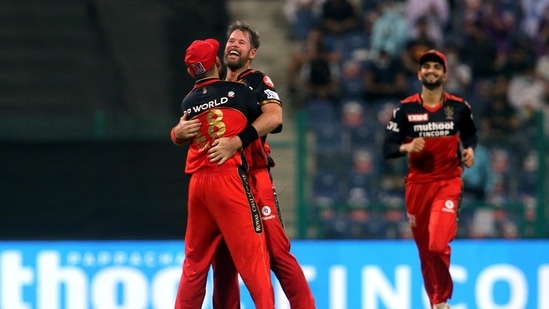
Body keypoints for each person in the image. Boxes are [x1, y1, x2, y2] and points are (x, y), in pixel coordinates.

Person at [208, 20, 317, 309]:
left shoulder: (257, 81)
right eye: (231, 40)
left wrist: (237, 141)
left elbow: (274, 118)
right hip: (224, 180)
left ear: (252, 53)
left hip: (254, 178)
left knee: (277, 252)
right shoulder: (214, 86)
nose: (234, 44)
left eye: (241, 42)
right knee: (223, 258)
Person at [171, 38, 276, 309]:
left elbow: (183, 132)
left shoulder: (187, 102)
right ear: (217, 63)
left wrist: (175, 133)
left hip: (197, 185)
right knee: (253, 260)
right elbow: (272, 119)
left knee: (194, 264)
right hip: (228, 178)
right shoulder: (239, 92)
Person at [382, 49, 478, 309]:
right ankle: (437, 303)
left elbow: (470, 135)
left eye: (437, 67)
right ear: (419, 73)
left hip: (448, 182)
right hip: (417, 186)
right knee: (425, 250)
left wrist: (469, 150)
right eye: (426, 67)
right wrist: (406, 148)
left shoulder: (458, 107)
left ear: (445, 74)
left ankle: (443, 296)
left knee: (437, 244)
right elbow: (388, 148)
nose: (431, 70)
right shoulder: (405, 110)